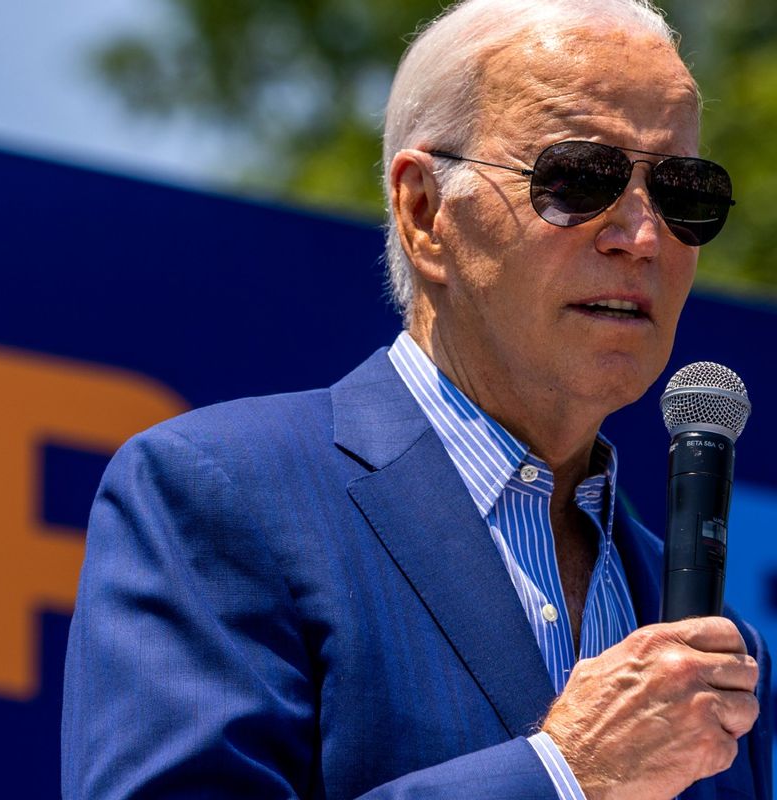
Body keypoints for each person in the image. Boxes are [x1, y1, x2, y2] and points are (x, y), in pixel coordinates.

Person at [61, 0, 772, 796]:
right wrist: (564, 775)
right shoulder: (219, 494)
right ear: (424, 210)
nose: (641, 235)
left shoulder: (718, 659)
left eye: (684, 191)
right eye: (579, 178)